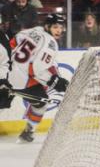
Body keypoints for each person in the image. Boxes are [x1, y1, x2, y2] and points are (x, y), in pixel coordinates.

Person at [0, 14, 68, 143]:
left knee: (2, 102)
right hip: (20, 80)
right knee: (41, 103)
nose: (59, 30)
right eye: (55, 27)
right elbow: (37, 69)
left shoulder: (33, 30)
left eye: (61, 27)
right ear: (47, 26)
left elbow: (12, 43)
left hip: (4, 73)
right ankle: (28, 133)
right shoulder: (51, 43)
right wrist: (53, 81)